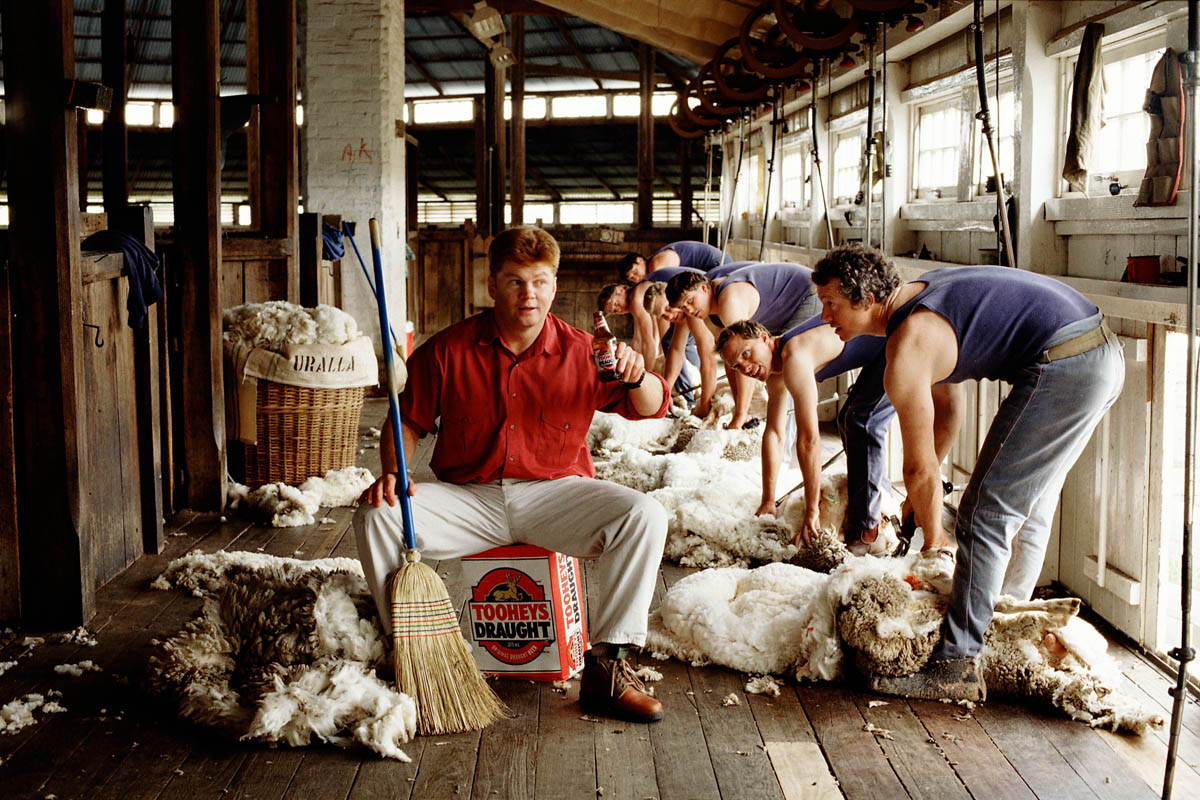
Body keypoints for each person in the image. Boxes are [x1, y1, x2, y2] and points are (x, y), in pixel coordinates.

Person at [355, 226, 671, 723]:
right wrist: (394, 473)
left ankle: (609, 668)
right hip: (470, 497)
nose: (530, 294)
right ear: (491, 285)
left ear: (555, 284)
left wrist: (638, 375)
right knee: (377, 515)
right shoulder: (447, 350)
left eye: (541, 282)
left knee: (646, 514)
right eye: (515, 282)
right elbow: (407, 422)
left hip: (555, 494)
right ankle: (407, 653)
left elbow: (651, 407)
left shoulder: (585, 350)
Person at [811, 243, 1124, 702]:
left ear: (864, 299)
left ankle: (957, 663)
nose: (823, 317)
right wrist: (926, 496)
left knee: (984, 514)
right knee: (1028, 505)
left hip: (1067, 365)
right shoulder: (918, 298)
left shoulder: (909, 343)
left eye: (830, 303)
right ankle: (1001, 626)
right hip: (1098, 352)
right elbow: (948, 408)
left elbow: (917, 468)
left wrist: (934, 536)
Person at [716, 318, 894, 552]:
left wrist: (812, 512)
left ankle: (870, 531)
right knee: (847, 420)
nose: (745, 367)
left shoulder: (794, 356)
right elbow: (774, 433)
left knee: (861, 422)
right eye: (737, 366)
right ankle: (882, 502)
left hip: (894, 343)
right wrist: (768, 500)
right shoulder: (775, 370)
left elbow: (809, 439)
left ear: (763, 337)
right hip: (878, 352)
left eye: (746, 354)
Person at [667, 262, 822, 429]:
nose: (689, 310)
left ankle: (785, 444)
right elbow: (731, 361)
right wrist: (739, 410)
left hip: (807, 293)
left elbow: (744, 354)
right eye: (683, 307)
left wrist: (741, 414)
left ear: (704, 288)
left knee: (786, 369)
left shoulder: (729, 301)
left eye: (690, 300)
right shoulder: (709, 317)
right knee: (770, 369)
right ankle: (775, 434)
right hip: (783, 314)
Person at [616, 240, 729, 284]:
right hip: (710, 270)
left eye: (635, 272)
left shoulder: (657, 265)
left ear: (640, 260)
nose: (636, 278)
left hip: (718, 265)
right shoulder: (655, 265)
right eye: (631, 278)